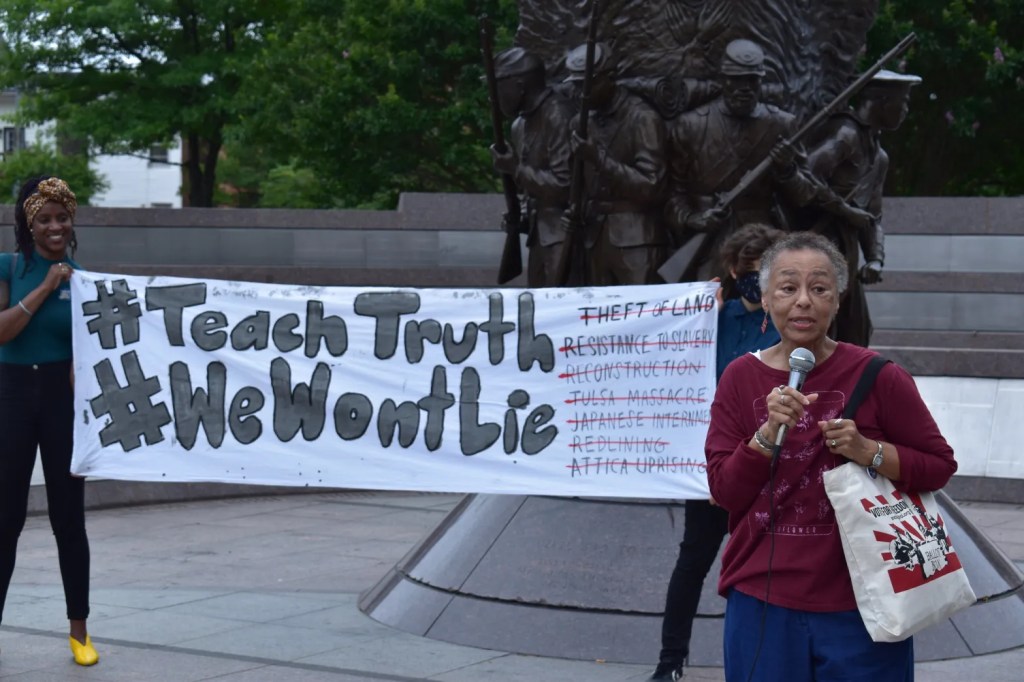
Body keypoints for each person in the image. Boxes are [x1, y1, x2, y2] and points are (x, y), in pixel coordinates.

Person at [705, 232, 956, 680]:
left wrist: (868, 451)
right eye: (788, 288)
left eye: (819, 289)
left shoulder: (879, 375)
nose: (803, 301)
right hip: (763, 601)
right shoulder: (740, 378)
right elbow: (724, 491)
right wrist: (765, 436)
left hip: (866, 602)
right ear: (765, 298)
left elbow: (939, 466)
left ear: (837, 301)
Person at [648, 223, 784, 682]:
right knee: (692, 564)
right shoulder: (714, 320)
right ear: (731, 270)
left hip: (770, 471)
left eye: (765, 273)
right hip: (712, 467)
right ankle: (670, 663)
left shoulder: (789, 325)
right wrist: (692, 311)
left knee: (768, 570)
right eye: (749, 272)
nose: (757, 282)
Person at [0, 176, 99, 666]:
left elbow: (90, 353)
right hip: (13, 396)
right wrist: (45, 286)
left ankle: (79, 631)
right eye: (45, 219)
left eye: (63, 217)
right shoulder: (8, 268)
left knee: (68, 519)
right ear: (28, 222)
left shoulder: (82, 279)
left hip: (61, 401)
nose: (56, 227)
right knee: (5, 520)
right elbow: (2, 332)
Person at [663, 39, 820, 283]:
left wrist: (787, 170)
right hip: (710, 242)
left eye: (752, 80)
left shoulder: (781, 124)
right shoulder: (691, 125)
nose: (744, 87)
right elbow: (673, 193)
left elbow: (806, 195)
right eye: (736, 79)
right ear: (722, 80)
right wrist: (693, 219)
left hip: (763, 242)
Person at [800, 69, 922, 347]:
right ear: (880, 101)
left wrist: (876, 258)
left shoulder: (879, 157)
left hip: (847, 253)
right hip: (819, 246)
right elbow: (805, 176)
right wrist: (844, 210)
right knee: (818, 328)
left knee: (857, 331)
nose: (904, 111)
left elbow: (872, 217)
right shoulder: (846, 134)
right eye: (901, 103)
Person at [564, 42, 670, 285]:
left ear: (610, 78)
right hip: (593, 238)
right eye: (577, 86)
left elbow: (652, 186)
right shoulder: (581, 123)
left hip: (637, 239)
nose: (582, 94)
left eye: (588, 85)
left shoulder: (643, 118)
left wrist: (598, 158)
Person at [489, 47, 574, 287]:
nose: (493, 97)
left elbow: (565, 185)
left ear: (519, 85)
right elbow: (531, 186)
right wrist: (521, 214)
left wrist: (515, 169)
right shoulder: (520, 126)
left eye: (498, 87)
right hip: (539, 235)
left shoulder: (558, 115)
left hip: (565, 237)